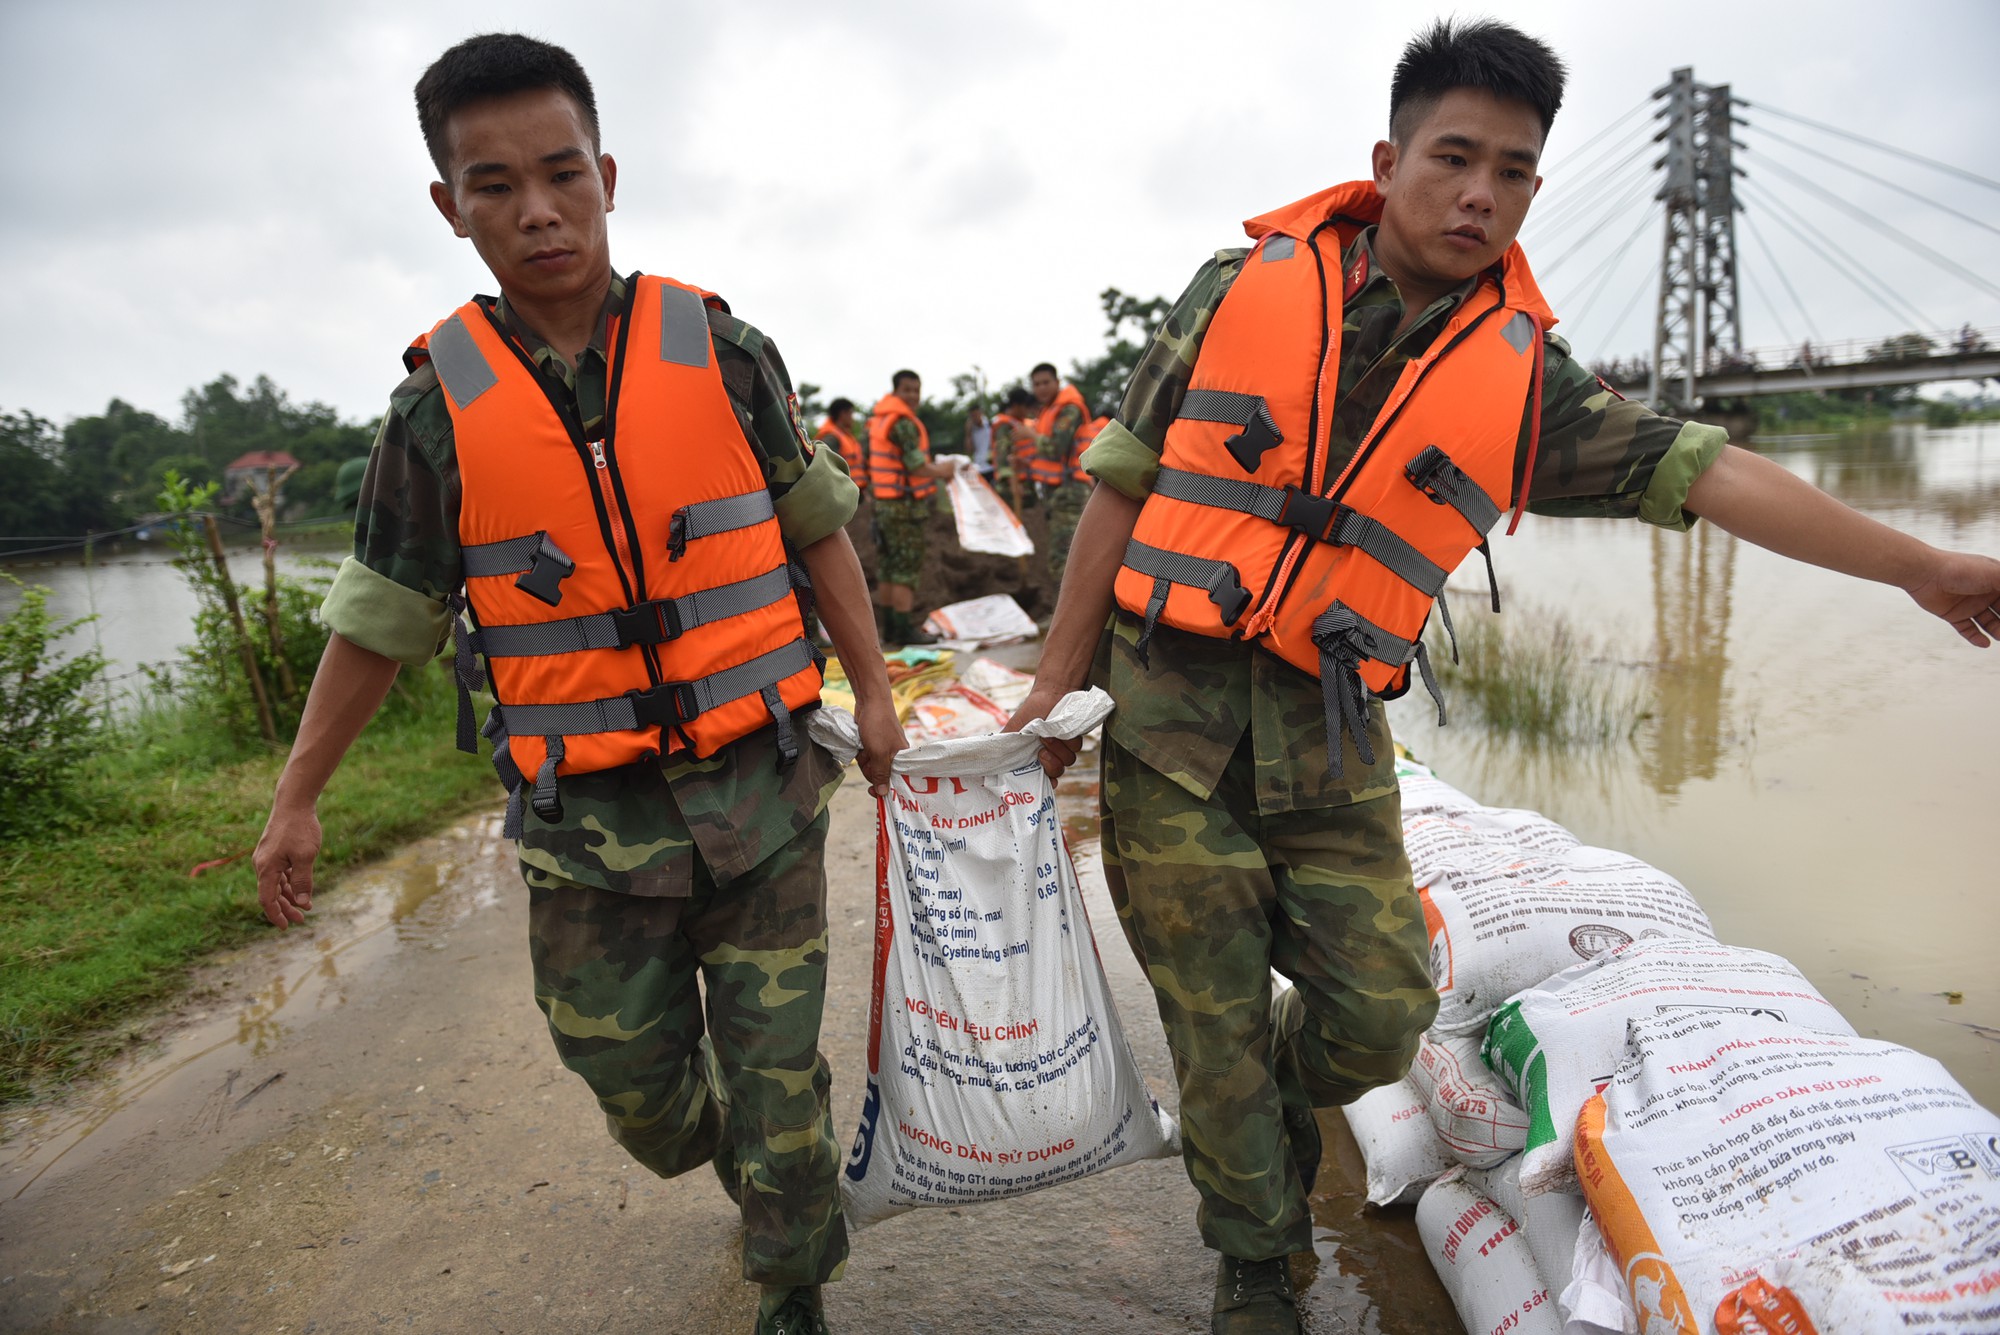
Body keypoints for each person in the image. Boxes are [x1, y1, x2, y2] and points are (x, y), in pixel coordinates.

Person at [1004, 19, 2000, 1334]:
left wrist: (1920, 566)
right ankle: (1258, 1264)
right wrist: (1055, 693)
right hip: (1166, 725)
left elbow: (1711, 471)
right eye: (1454, 158)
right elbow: (1120, 489)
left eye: (1515, 172)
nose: (1481, 193)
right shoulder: (1236, 288)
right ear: (1389, 157)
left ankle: (1252, 1086)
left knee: (1378, 1009)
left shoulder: (1527, 381)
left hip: (1333, 731)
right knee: (1212, 1019)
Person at [249, 34, 905, 1335]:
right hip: (585, 824)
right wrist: (296, 797)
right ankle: (754, 1166)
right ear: (451, 208)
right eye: (495, 186)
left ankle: (793, 1275)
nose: (538, 210)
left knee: (778, 1085)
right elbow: (380, 618)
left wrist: (873, 690)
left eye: (562, 174)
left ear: (607, 173)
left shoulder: (721, 349)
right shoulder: (436, 409)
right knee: (641, 1094)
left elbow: (815, 525)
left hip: (764, 784)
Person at [864, 369, 955, 645]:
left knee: (890, 568)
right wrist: (945, 470)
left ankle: (892, 629)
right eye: (907, 390)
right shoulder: (902, 423)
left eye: (917, 390)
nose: (913, 396)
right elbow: (917, 465)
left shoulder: (879, 420)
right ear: (896, 392)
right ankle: (903, 631)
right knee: (905, 569)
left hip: (885, 505)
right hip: (903, 507)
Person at [1027, 362, 1093, 583]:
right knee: (1061, 556)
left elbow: (1056, 448)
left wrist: (1030, 435)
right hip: (1058, 493)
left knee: (1064, 559)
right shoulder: (1049, 411)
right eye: (1036, 384)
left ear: (1057, 382)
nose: (1041, 388)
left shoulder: (1068, 409)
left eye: (1046, 382)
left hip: (1070, 492)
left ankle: (1073, 615)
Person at [991, 386, 1040, 518]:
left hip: (1025, 481)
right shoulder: (1005, 426)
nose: (1027, 411)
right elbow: (1003, 458)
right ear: (1016, 405)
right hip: (1012, 486)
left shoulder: (1021, 424)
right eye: (1025, 407)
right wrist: (1013, 484)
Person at [815, 396, 867, 494]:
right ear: (843, 414)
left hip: (854, 491)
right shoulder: (831, 437)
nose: (853, 418)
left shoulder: (846, 436)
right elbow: (828, 470)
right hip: (843, 493)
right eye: (851, 413)